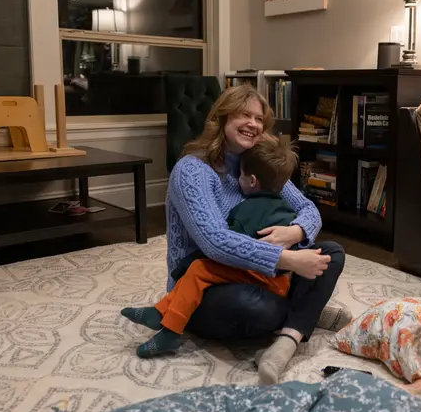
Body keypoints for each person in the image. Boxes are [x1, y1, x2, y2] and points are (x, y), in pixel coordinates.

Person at [121, 85, 350, 385]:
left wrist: (294, 231)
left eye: (259, 118)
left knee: (331, 253)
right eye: (244, 115)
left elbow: (309, 210)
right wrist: (286, 258)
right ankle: (306, 311)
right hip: (202, 286)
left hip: (255, 275)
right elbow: (214, 242)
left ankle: (285, 343)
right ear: (222, 118)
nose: (253, 124)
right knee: (260, 308)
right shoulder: (193, 170)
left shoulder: (259, 165)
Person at [126, 135, 303, 358]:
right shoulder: (286, 207)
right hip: (281, 280)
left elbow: (225, 249)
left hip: (264, 278)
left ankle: (169, 330)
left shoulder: (245, 212)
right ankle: (161, 310)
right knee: (202, 271)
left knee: (199, 269)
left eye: (240, 174)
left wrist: (184, 267)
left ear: (252, 181)